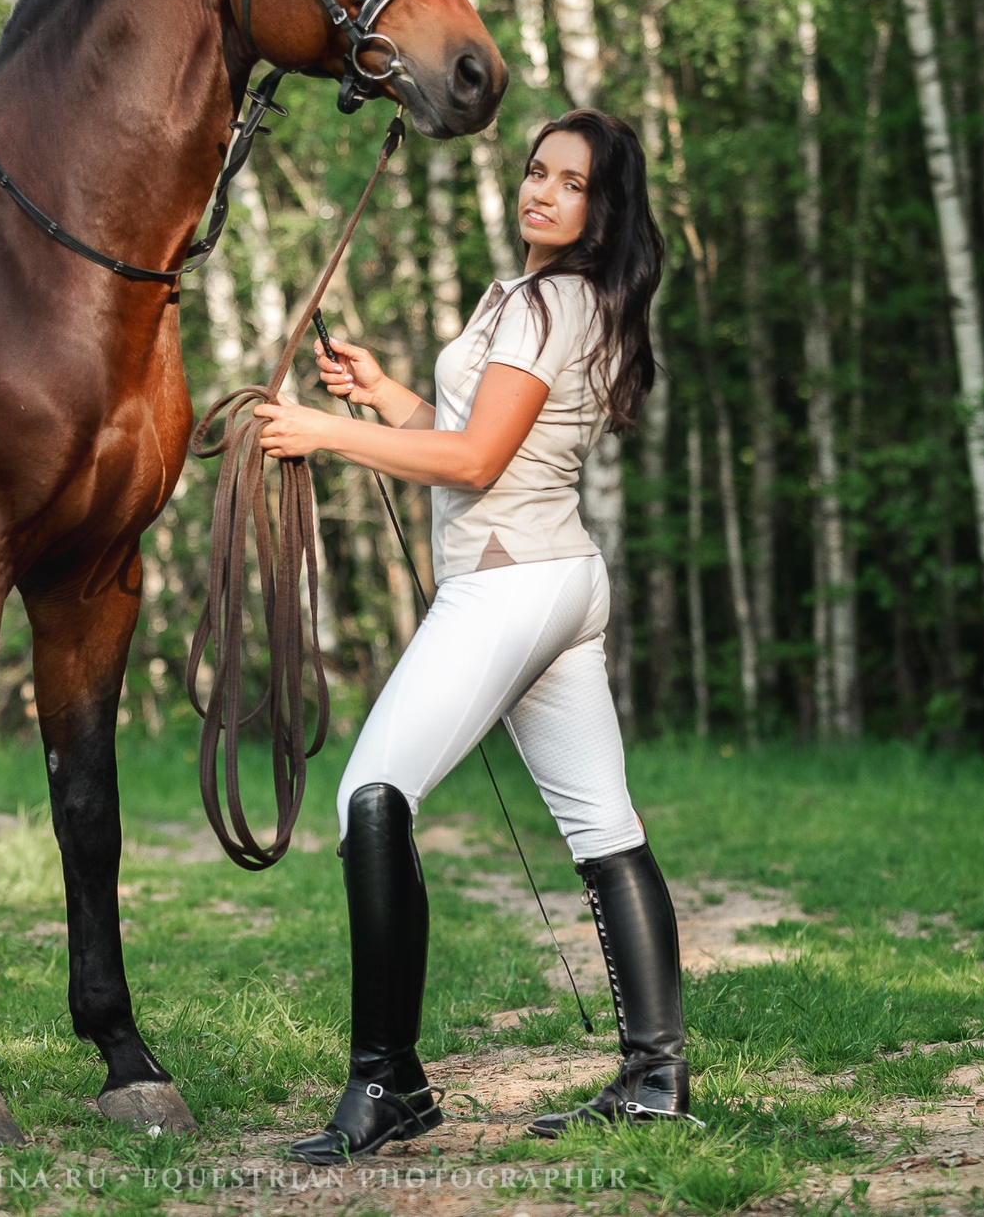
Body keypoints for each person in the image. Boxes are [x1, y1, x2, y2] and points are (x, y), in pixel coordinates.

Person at [249, 108, 692, 1162]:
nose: (540, 191)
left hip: (508, 585)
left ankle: (387, 1080)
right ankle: (654, 1075)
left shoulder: (550, 300)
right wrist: (387, 398)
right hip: (555, 579)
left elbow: (475, 463)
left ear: (603, 206)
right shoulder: (544, 296)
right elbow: (474, 434)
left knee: (372, 796)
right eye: (535, 170)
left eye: (570, 182)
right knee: (602, 825)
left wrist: (321, 431)